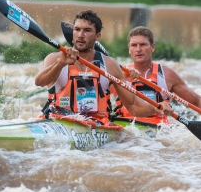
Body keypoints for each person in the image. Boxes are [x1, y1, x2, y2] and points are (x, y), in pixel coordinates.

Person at [35, 11, 173, 125]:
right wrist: (61, 63)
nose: (80, 35)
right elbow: (39, 81)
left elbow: (133, 107)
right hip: (59, 121)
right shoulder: (54, 58)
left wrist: (157, 107)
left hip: (97, 126)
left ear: (97, 36)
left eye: (87, 30)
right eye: (77, 30)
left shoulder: (110, 65)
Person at [114, 26, 201, 123]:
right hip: (128, 128)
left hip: (160, 131)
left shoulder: (167, 75)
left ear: (152, 47)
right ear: (129, 49)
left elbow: (196, 101)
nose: (138, 49)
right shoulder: (118, 73)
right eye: (134, 45)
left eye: (143, 44)